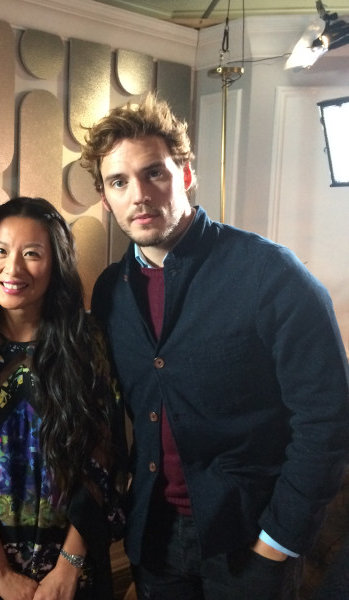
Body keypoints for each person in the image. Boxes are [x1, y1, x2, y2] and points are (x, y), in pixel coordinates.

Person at [80, 93, 349, 599]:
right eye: (119, 181)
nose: (139, 195)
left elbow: (328, 418)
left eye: (154, 173)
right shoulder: (111, 290)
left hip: (251, 540)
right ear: (105, 197)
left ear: (185, 174)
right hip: (153, 538)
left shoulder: (270, 273)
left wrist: (278, 541)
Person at [0, 197, 126, 600]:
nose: (12, 268)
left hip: (74, 568)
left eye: (32, 254)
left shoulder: (87, 341)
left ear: (56, 263)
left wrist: (68, 566)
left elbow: (102, 455)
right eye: (0, 251)